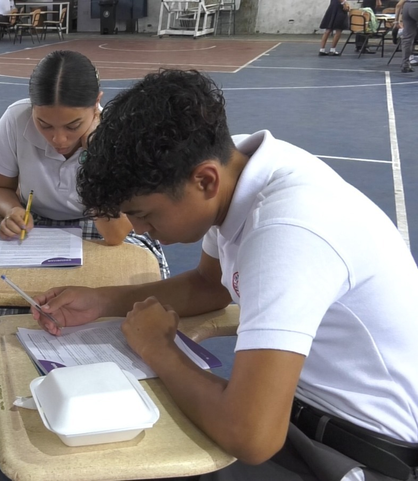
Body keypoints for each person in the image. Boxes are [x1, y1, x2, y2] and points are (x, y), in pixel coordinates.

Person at [32, 69, 418, 481]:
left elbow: (251, 435)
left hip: (356, 450)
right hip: (301, 411)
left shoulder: (286, 232)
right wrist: (103, 300)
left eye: (143, 214)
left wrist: (159, 348)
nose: (138, 230)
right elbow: (210, 285)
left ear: (205, 181)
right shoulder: (233, 164)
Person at [0, 51, 169, 320]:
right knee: (11, 303)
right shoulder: (15, 120)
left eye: (73, 125)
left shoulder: (117, 133)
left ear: (96, 104)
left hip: (101, 230)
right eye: (44, 124)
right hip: (37, 225)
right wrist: (12, 210)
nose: (58, 139)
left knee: (127, 306)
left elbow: (115, 234)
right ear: (32, 108)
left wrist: (95, 157)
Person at [396, 0, 418, 72]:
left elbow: (399, 5)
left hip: (407, 6)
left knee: (407, 38)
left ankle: (405, 64)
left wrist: (396, 21)